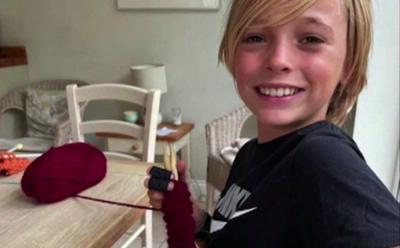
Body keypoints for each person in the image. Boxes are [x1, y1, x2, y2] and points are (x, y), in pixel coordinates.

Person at [145, 0, 400, 247]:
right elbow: (231, 234)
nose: (278, 60)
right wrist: (196, 219)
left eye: (311, 39)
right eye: (255, 37)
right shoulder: (248, 155)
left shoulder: (322, 158)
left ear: (348, 64)